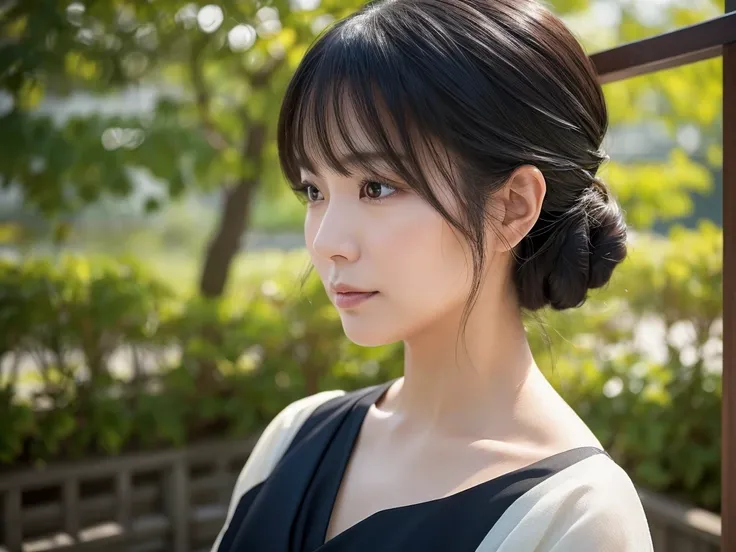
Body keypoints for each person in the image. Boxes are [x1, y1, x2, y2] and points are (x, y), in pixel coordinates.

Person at [212, 0, 655, 550]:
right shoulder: (295, 436)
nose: (325, 242)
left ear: (512, 206)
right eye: (314, 190)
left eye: (376, 187)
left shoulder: (574, 515)